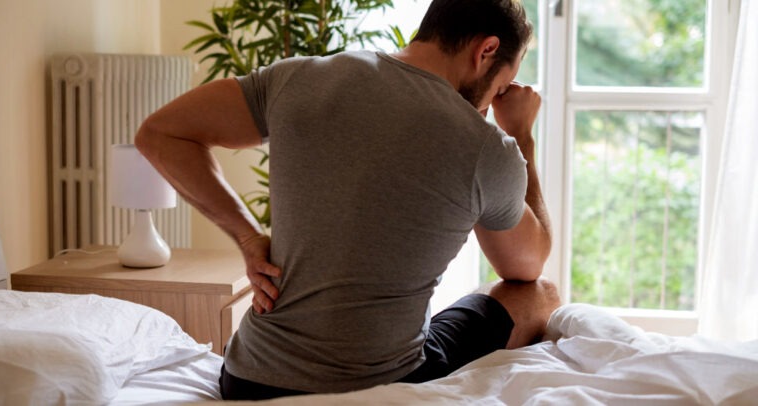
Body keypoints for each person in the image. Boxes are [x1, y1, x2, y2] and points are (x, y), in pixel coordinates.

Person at [135, 0, 560, 400]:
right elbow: (525, 266)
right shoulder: (486, 146)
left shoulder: (298, 77)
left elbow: (160, 133)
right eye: (499, 86)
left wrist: (247, 237)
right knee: (539, 294)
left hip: (249, 380)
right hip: (382, 383)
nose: (487, 106)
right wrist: (521, 135)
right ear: (486, 50)